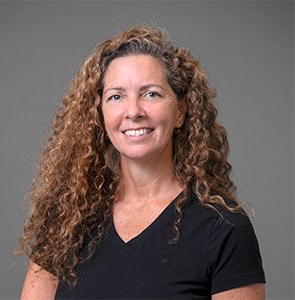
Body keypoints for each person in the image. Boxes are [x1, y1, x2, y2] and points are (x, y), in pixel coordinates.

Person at [18, 24, 265, 299]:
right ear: (100, 114)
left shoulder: (224, 228)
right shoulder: (65, 221)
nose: (133, 111)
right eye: (116, 96)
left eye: (151, 94)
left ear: (180, 112)